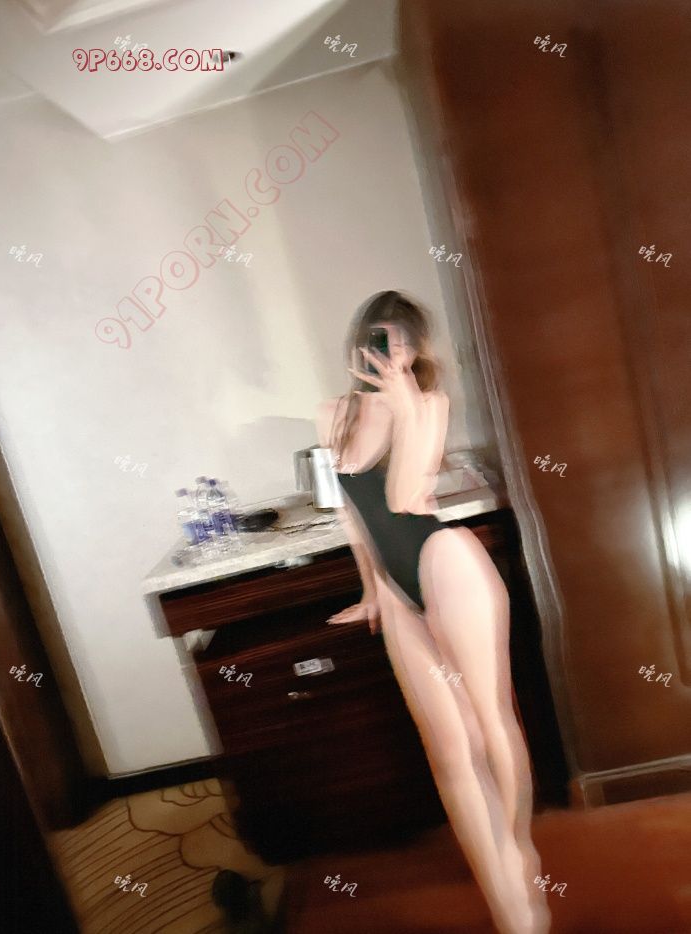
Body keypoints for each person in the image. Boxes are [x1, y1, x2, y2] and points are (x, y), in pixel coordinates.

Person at [316, 290, 551, 934]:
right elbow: (352, 515)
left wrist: (405, 407)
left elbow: (403, 499)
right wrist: (371, 590)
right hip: (399, 592)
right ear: (359, 345)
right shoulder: (333, 414)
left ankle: (519, 850)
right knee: (451, 752)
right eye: (378, 340)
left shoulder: (430, 404)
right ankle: (505, 900)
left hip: (447, 564)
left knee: (492, 719)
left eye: (402, 343)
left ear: (417, 349)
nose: (390, 354)